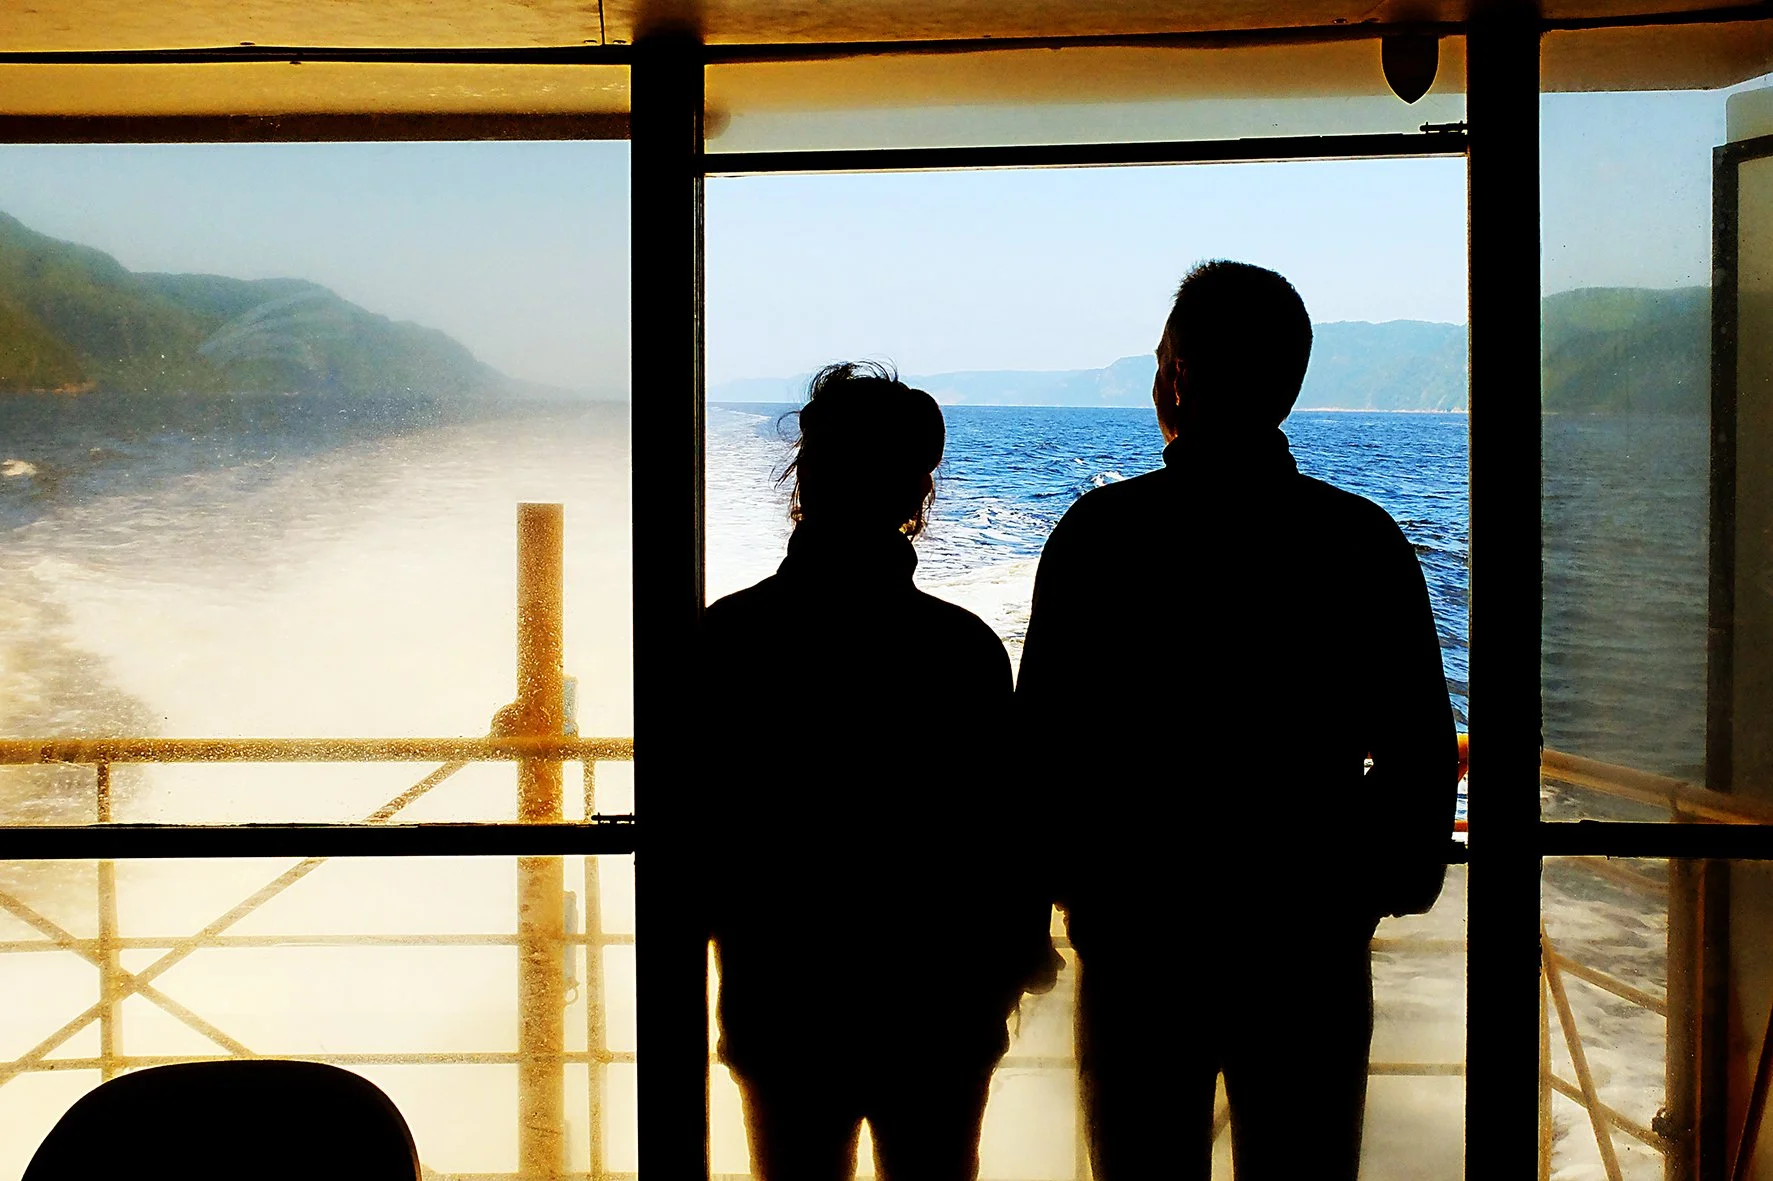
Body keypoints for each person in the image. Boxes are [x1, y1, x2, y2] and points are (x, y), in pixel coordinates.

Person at [1015, 261, 1458, 1180]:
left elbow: (1042, 756)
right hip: (1306, 951)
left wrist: (1073, 890)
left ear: (1175, 376)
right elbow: (1420, 756)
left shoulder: (1099, 536)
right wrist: (1357, 885)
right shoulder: (1359, 540)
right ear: (1288, 382)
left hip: (1139, 949)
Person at [694, 361, 1058, 1181]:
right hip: (939, 1010)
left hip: (781, 999)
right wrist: (1011, 964)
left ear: (807, 477)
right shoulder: (959, 651)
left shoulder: (729, 638)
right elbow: (1006, 832)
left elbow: (703, 836)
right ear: (914, 497)